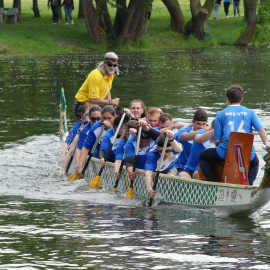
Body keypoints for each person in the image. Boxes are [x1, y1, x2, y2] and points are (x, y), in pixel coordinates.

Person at [198, 85, 269, 185]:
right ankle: (249, 184)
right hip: (246, 153)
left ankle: (211, 181)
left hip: (225, 153)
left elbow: (217, 141)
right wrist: (267, 146)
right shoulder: (251, 113)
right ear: (241, 99)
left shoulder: (221, 114)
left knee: (203, 156)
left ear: (227, 99)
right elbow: (261, 130)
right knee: (255, 163)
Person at [73, 52, 120, 120]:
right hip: (82, 104)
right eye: (110, 65)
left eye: (115, 65)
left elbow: (107, 90)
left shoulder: (111, 75)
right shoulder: (96, 75)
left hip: (93, 105)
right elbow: (92, 99)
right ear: (104, 63)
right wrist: (111, 101)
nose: (112, 67)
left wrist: (111, 107)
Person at [76, 106, 116, 178]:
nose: (106, 121)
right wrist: (79, 166)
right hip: (102, 158)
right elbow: (85, 148)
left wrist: (110, 127)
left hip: (118, 159)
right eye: (104, 118)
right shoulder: (95, 127)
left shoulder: (119, 127)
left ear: (114, 117)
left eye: (109, 118)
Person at [62, 106, 102, 174]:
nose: (96, 122)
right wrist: (77, 165)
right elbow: (74, 150)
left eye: (98, 119)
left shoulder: (107, 126)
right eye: (93, 119)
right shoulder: (80, 129)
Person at [145, 131, 183, 199]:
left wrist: (171, 138)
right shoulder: (152, 154)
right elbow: (148, 173)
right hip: (155, 170)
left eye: (167, 151)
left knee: (169, 177)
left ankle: (172, 196)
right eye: (161, 151)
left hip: (170, 168)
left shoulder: (175, 146)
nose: (164, 154)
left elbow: (179, 149)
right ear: (157, 148)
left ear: (171, 148)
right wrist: (149, 189)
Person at [174, 109, 208, 178]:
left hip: (197, 169)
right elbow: (185, 137)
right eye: (198, 123)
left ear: (207, 123)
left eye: (203, 124)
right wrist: (203, 132)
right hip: (181, 167)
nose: (201, 127)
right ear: (193, 122)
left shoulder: (208, 134)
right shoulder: (184, 131)